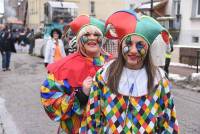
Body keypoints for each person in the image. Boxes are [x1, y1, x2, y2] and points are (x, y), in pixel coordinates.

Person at [80, 10, 179, 133]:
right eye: (129, 43)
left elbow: (168, 122)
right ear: (121, 45)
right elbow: (92, 119)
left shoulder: (159, 80)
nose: (133, 50)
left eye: (139, 45)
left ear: (147, 48)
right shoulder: (103, 76)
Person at [40, 15, 111, 133]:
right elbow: (49, 103)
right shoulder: (62, 67)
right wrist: (80, 96)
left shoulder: (113, 64)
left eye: (96, 34)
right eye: (87, 35)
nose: (92, 38)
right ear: (78, 39)